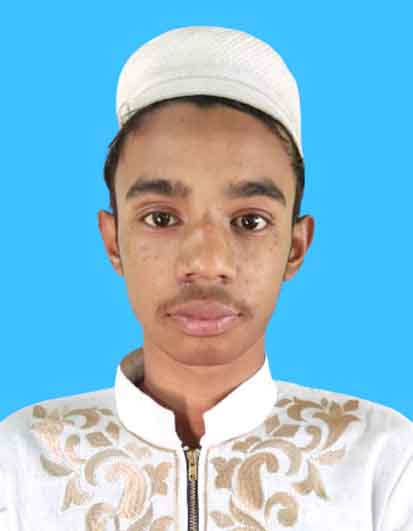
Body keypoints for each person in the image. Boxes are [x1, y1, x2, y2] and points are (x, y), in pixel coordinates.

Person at [0, 25, 412, 531]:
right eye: (161, 218)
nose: (207, 261)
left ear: (295, 247)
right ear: (113, 241)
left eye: (250, 221)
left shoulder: (383, 463)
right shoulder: (21, 463)